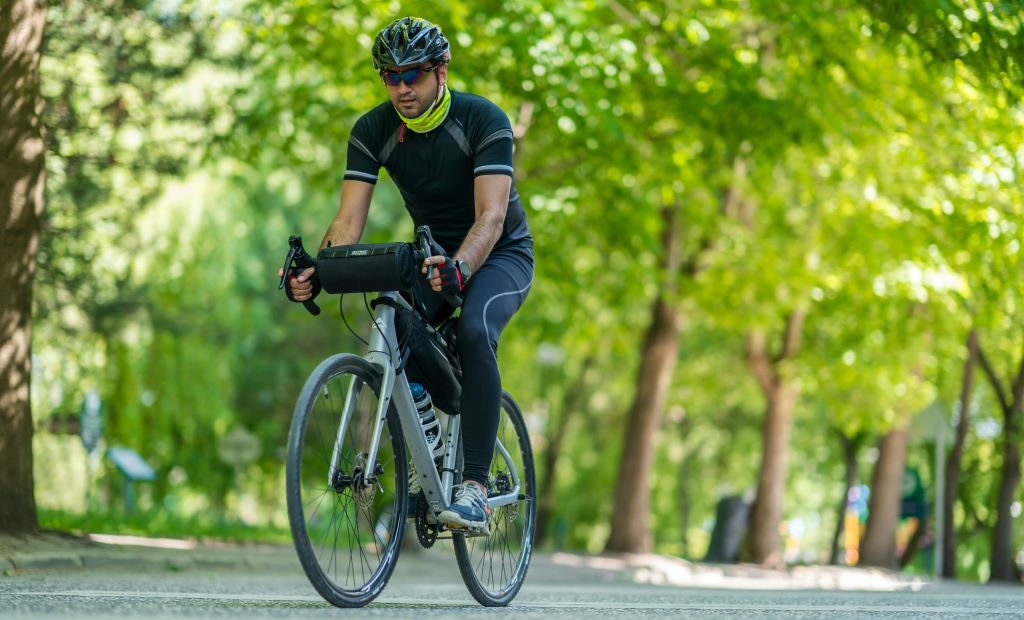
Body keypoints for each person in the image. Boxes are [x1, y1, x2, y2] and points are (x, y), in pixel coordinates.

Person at [283, 16, 533, 534]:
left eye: (412, 75)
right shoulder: (373, 130)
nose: (400, 88)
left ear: (441, 71)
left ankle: (474, 488)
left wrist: (462, 268)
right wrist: (318, 269)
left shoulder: (483, 119)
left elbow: (490, 216)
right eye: (389, 77)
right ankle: (426, 448)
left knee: (472, 329)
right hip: (434, 254)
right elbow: (347, 222)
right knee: (392, 319)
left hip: (501, 254)